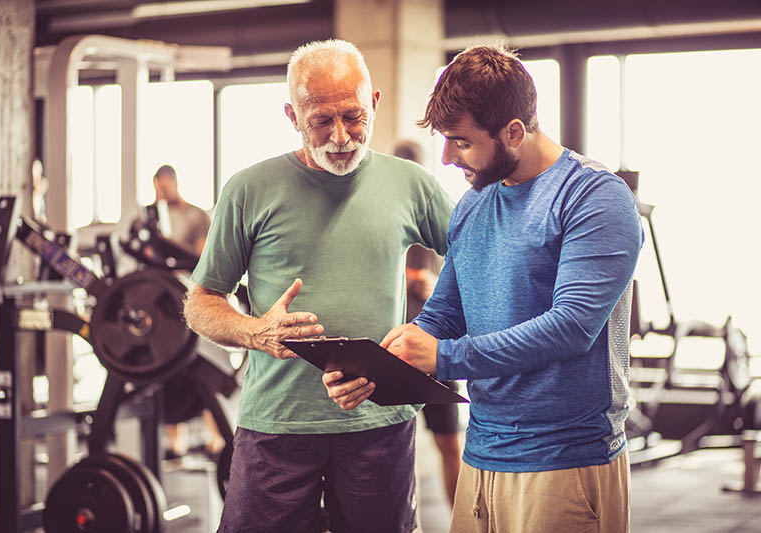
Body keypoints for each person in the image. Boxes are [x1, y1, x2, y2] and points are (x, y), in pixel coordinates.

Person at [326, 43, 643, 532]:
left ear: (514, 132)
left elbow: (571, 328)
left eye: (462, 141)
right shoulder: (474, 206)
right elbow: (444, 314)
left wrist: (445, 357)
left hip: (564, 461)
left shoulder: (594, 198)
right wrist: (380, 364)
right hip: (483, 456)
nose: (449, 157)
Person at [183, 39, 453, 533]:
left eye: (352, 116)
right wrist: (254, 332)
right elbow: (200, 302)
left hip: (379, 424)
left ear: (374, 102)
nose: (341, 137)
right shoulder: (248, 190)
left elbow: (473, 265)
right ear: (292, 116)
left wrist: (434, 334)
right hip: (278, 426)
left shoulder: (412, 185)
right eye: (320, 122)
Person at [394, 140, 463, 508]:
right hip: (395, 344)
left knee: (450, 443)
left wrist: (430, 283)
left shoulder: (441, 216)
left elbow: (457, 275)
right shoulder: (386, 215)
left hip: (434, 346)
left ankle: (462, 523)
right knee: (395, 446)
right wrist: (400, 276)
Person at [144, 164, 221, 458]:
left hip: (191, 294)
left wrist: (171, 251)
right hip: (163, 300)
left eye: (165, 187)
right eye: (157, 188)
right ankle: (175, 445)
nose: (161, 193)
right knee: (170, 374)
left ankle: (216, 440)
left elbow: (202, 257)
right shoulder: (153, 218)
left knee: (206, 367)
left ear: (174, 183)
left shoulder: (196, 216)